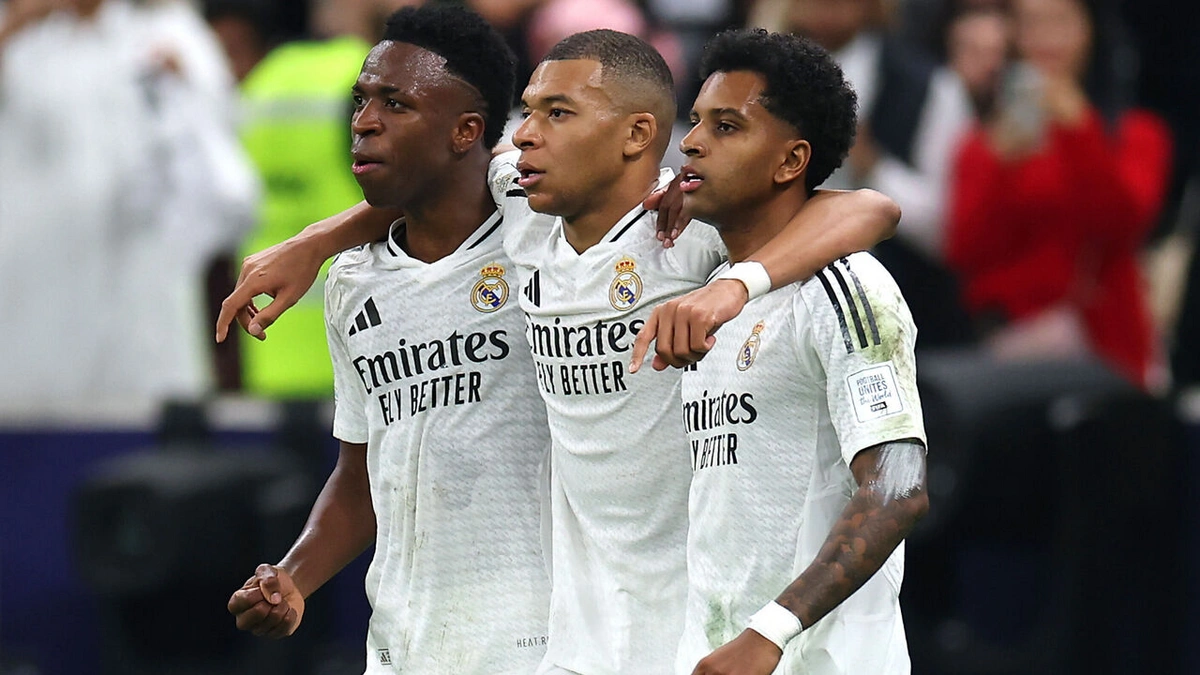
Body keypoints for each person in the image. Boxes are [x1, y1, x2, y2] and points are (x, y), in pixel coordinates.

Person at [219, 28, 901, 675]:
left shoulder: (688, 233)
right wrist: (314, 243)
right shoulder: (524, 208)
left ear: (636, 135)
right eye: (530, 110)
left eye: (558, 112)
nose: (524, 132)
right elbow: (438, 174)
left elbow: (869, 209)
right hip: (577, 634)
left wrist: (731, 287)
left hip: (682, 624)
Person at [226, 7, 554, 672]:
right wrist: (294, 577)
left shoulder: (542, 238)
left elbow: (513, 168)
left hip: (541, 646)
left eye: (396, 103)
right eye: (362, 100)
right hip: (403, 648)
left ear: (466, 131)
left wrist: (314, 237)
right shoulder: (353, 282)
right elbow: (361, 476)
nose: (364, 121)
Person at [654, 28, 928, 674]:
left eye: (727, 127)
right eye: (696, 121)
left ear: (789, 161)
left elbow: (899, 486)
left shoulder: (846, 286)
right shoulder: (707, 288)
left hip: (817, 659)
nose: (691, 142)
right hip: (713, 652)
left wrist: (769, 631)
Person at [944, 0, 1173, 390]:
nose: (1046, 39)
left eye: (1060, 22)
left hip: (1112, 348)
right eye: (1031, 23)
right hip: (1015, 353)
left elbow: (1124, 225)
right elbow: (964, 251)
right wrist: (1000, 165)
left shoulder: (1136, 133)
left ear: (1091, 30)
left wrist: (1078, 129)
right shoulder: (983, 144)